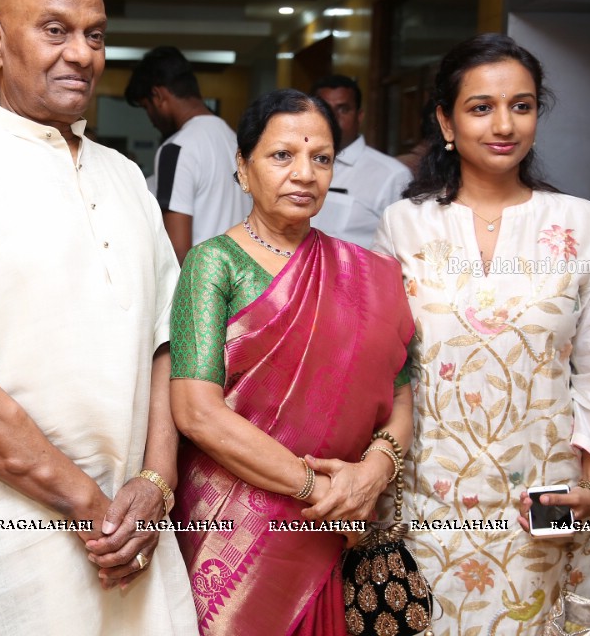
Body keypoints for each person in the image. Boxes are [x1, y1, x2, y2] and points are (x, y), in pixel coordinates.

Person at [0, 0, 197, 635]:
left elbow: (166, 342)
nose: (81, 54)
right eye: (55, 30)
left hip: (139, 539)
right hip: (21, 543)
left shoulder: (125, 178)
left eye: (95, 35)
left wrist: (154, 484)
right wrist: (94, 509)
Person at [372, 33, 590, 634]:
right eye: (480, 107)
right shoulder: (404, 225)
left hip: (546, 493)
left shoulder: (579, 224)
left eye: (522, 104)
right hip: (426, 492)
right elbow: (386, 365)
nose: (504, 124)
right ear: (446, 119)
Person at [169, 89, 415, 634]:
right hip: (235, 529)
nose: (304, 173)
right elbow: (195, 411)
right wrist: (316, 488)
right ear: (243, 166)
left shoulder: (368, 275)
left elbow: (400, 395)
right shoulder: (214, 263)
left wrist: (372, 475)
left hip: (335, 527)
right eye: (283, 155)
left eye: (320, 158)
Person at [126, 46, 248, 263]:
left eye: (147, 108)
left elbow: (178, 252)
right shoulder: (236, 142)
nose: (151, 119)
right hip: (241, 284)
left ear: (158, 95)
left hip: (203, 290)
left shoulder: (177, 148)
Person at [307, 74, 412, 249]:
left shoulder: (392, 175)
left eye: (343, 109)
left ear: (359, 116)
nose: (332, 117)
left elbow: (405, 247)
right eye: (324, 108)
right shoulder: (295, 165)